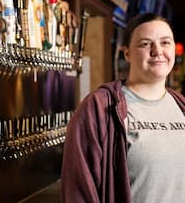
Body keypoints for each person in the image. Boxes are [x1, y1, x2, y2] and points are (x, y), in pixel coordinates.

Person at [61, 13, 185, 203]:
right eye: (145, 44)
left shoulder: (181, 106)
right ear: (126, 53)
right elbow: (78, 191)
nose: (157, 51)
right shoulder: (99, 108)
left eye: (165, 42)